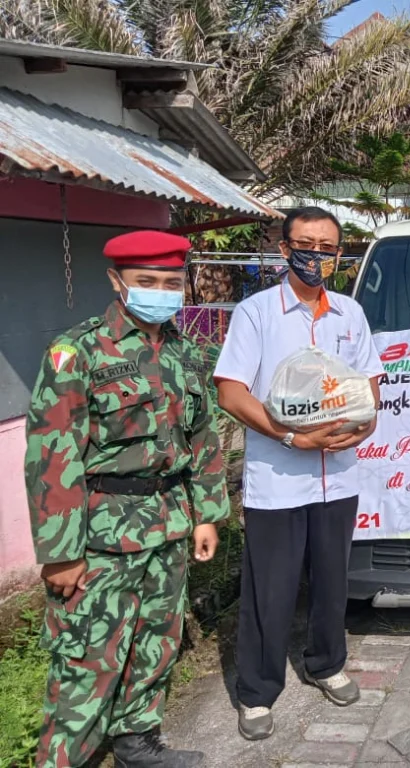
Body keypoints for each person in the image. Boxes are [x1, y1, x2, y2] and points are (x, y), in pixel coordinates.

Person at [24, 231, 229, 768]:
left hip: (169, 526)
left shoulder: (184, 350)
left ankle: (139, 745)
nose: (160, 292)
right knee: (88, 661)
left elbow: (202, 438)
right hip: (101, 534)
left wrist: (207, 515)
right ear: (117, 282)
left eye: (170, 282)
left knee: (156, 644)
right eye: (146, 282)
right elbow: (52, 455)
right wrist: (60, 552)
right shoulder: (78, 352)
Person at [214, 207, 383, 741]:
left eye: (327, 248)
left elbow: (370, 385)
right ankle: (257, 692)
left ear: (339, 254)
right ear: (284, 249)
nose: (317, 256)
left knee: (333, 581)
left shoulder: (350, 315)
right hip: (278, 478)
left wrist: (363, 425)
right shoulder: (257, 313)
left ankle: (326, 662)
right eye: (306, 245)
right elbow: (232, 391)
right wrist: (291, 436)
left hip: (340, 475)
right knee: (271, 589)